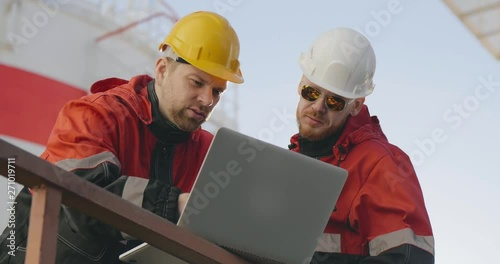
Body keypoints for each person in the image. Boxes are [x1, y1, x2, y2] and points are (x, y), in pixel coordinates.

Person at [0, 11, 243, 264]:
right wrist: (176, 205)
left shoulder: (209, 153)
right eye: (196, 82)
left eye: (217, 91)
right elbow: (82, 197)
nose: (208, 100)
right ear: (162, 70)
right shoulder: (95, 114)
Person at [288, 28, 435, 263]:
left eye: (335, 101)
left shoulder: (381, 164)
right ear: (299, 86)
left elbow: (409, 259)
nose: (317, 106)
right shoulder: (286, 163)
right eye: (311, 92)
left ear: (356, 106)